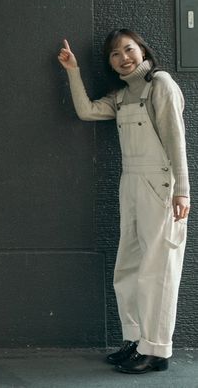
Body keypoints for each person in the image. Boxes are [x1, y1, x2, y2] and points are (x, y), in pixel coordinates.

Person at [58, 30, 189, 375]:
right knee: (128, 266)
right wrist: (73, 71)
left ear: (142, 50)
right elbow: (86, 111)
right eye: (115, 54)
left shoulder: (160, 84)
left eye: (128, 49)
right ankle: (135, 339)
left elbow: (176, 140)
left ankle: (156, 350)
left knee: (158, 269)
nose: (123, 58)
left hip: (159, 184)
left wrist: (183, 191)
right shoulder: (120, 96)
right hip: (130, 182)